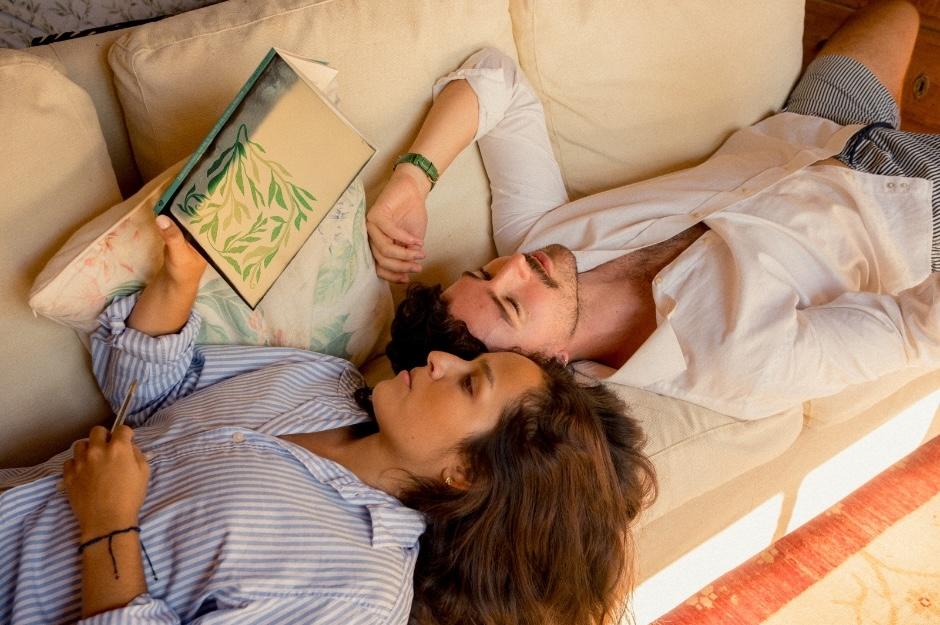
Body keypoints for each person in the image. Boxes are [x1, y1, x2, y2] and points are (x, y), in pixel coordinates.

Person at [0, 216, 656, 625]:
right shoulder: (328, 381)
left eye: (467, 383)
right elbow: (152, 397)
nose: (437, 360)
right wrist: (178, 282)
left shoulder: (358, 597)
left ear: (464, 470)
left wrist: (107, 527)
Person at [367, 0, 940, 420]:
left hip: (812, 131)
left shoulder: (540, 237)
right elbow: (916, 332)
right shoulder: (728, 357)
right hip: (911, 216)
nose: (516, 265)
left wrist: (412, 180)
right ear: (548, 364)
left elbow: (500, 80)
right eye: (513, 303)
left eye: (487, 273)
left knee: (898, 15)